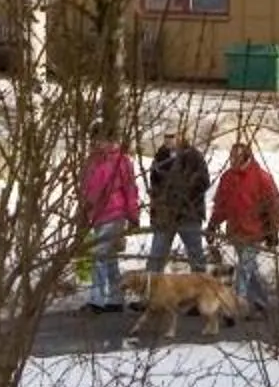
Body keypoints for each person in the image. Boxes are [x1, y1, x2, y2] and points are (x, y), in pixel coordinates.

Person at [208, 138, 279, 312]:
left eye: (236, 157)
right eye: (231, 157)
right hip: (236, 230)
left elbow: (273, 206)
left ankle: (237, 302)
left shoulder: (261, 177)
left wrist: (273, 231)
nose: (232, 161)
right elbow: (222, 204)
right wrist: (213, 223)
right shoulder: (227, 177)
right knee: (249, 268)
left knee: (244, 269)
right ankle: (261, 301)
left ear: (246, 158)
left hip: (255, 231)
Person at [80, 133, 139, 311]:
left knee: (99, 255)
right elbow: (88, 189)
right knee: (110, 257)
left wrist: (133, 214)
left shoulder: (120, 161)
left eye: (101, 139)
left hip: (114, 212)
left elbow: (130, 189)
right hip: (98, 214)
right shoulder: (93, 161)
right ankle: (115, 297)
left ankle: (97, 299)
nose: (97, 143)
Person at [145, 127, 211, 275]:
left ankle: (200, 285)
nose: (168, 140)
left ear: (181, 136)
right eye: (166, 136)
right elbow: (154, 184)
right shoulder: (160, 157)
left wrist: (184, 193)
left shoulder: (194, 157)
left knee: (196, 256)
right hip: (165, 215)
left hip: (188, 214)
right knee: (156, 256)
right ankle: (152, 286)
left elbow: (203, 183)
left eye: (172, 136)